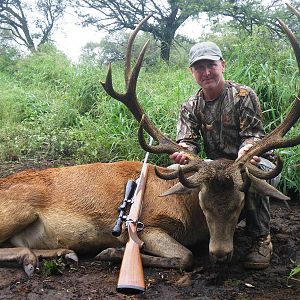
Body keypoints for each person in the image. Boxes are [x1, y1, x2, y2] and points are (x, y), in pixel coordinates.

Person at [170, 41, 280, 270]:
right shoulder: (190, 105)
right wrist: (185, 156)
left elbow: (253, 136)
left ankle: (261, 240)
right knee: (175, 173)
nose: (206, 72)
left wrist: (248, 149)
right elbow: (187, 142)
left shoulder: (243, 95)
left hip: (252, 162)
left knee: (250, 178)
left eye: (211, 65)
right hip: (216, 169)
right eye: (199, 67)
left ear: (222, 65)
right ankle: (201, 230)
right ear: (192, 72)